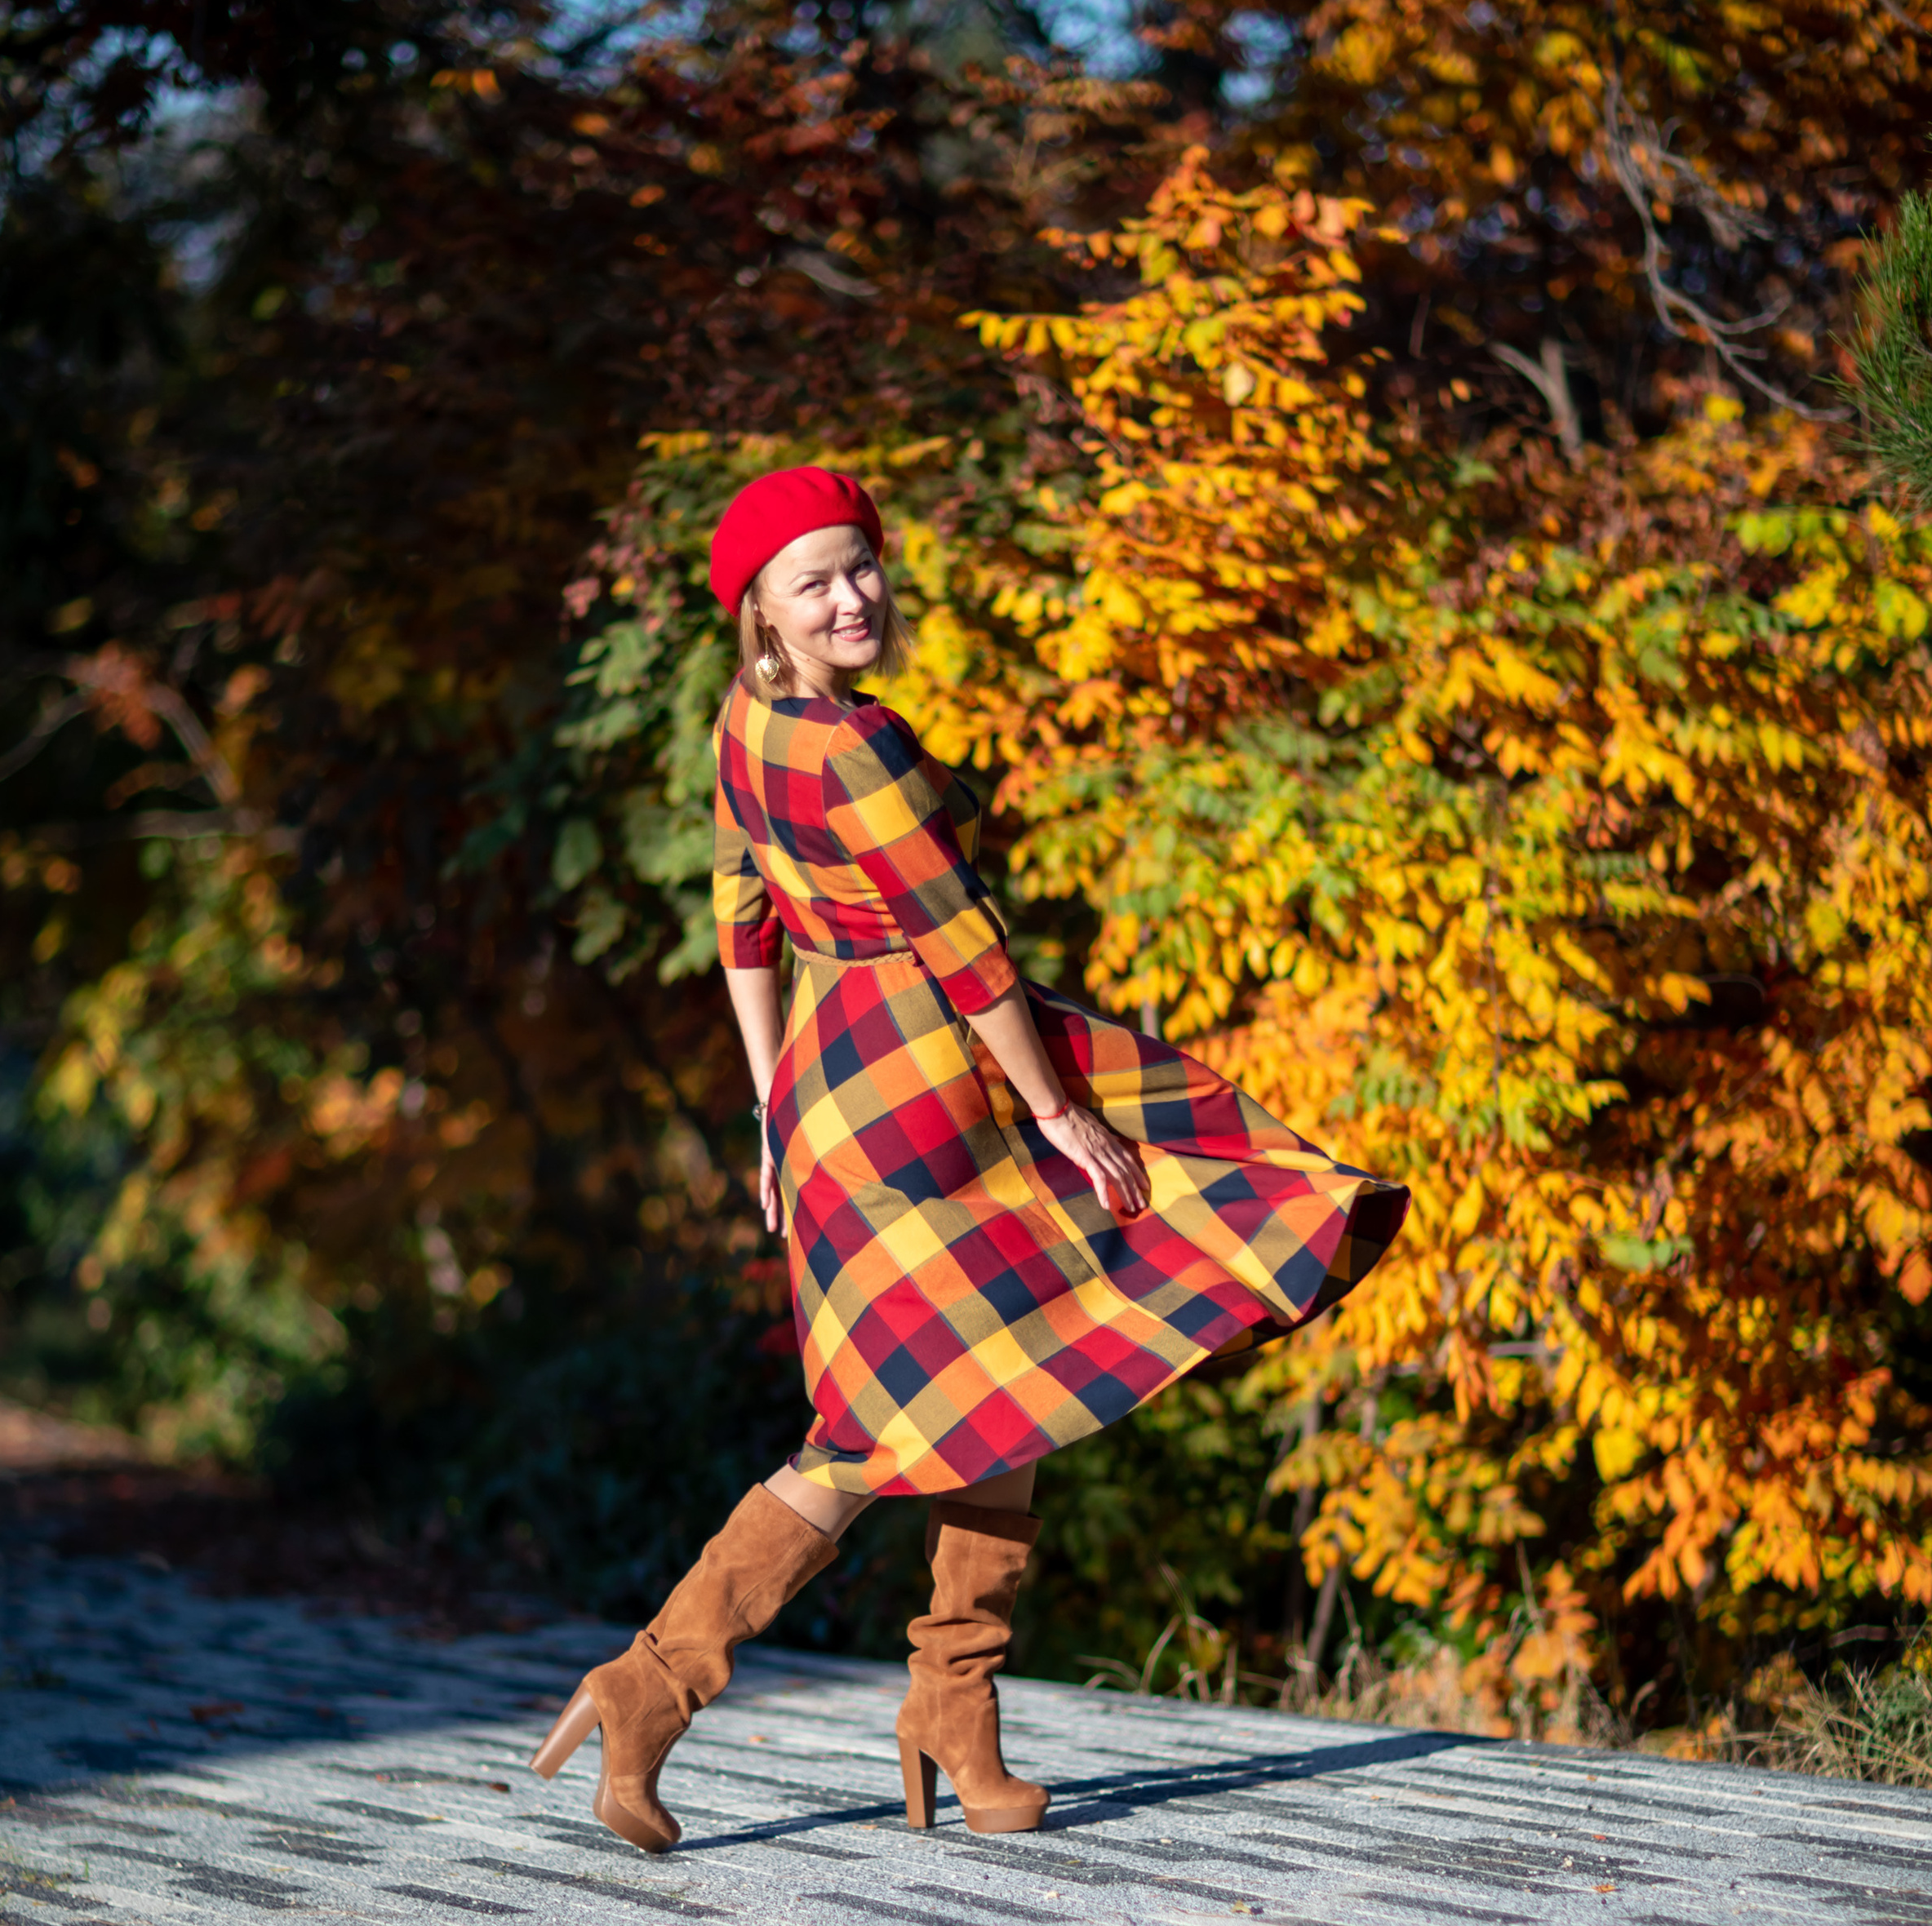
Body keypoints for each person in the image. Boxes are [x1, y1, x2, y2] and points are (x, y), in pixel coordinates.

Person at [531, 466, 1408, 1853]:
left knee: (1016, 1364)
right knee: (886, 1423)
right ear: (760, 604)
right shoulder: (851, 749)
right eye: (814, 579)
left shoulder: (748, 723)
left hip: (834, 1078)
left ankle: (949, 1708)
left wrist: (771, 1101)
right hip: (924, 1089)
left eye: (861, 565)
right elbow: (962, 944)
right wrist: (1059, 1107)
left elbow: (742, 910)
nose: (851, 595)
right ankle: (658, 1682)